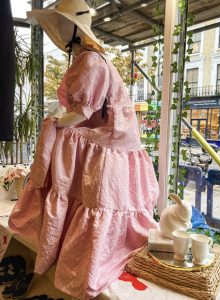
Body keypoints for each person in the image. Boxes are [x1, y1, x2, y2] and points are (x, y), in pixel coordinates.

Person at [8, 0, 159, 299]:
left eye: (62, 21)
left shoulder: (91, 61)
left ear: (76, 27)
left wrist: (54, 123)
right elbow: (84, 111)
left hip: (112, 141)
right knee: (85, 195)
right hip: (108, 137)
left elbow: (81, 112)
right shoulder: (87, 58)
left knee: (95, 199)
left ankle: (87, 257)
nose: (60, 28)